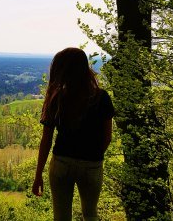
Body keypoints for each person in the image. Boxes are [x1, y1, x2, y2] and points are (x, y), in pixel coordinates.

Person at [32, 47, 114, 221]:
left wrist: (38, 175)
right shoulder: (102, 97)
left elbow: (46, 140)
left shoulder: (57, 98)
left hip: (61, 163)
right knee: (91, 215)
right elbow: (108, 137)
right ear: (84, 68)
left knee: (61, 217)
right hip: (91, 164)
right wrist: (94, 157)